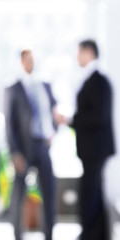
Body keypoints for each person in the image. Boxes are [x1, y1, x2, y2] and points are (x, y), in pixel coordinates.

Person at [4, 49, 57, 240]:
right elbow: (9, 124)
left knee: (50, 191)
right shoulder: (13, 87)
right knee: (19, 194)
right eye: (26, 59)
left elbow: (53, 111)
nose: (30, 62)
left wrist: (53, 132)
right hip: (24, 148)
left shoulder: (45, 84)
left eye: (33, 59)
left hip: (43, 144)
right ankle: (18, 235)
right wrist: (15, 152)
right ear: (21, 61)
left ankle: (49, 234)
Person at [72, 39, 115, 240]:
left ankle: (90, 234)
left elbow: (99, 116)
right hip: (92, 149)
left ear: (89, 52)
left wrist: (72, 119)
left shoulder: (99, 81)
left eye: (79, 52)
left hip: (96, 149)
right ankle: (98, 234)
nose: (77, 57)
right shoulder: (91, 79)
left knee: (91, 192)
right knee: (95, 192)